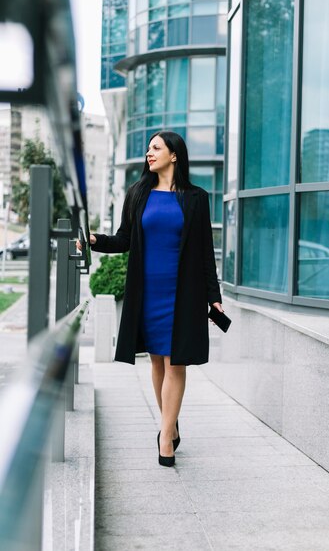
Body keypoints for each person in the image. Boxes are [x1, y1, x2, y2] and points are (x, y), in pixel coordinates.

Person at [80, 131, 223, 467]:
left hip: (183, 294)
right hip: (148, 292)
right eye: (148, 149)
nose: (149, 153)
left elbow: (205, 252)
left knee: (176, 362)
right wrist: (94, 240)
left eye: (156, 148)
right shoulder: (139, 193)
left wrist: (214, 296)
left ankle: (165, 439)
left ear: (174, 155)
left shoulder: (196, 199)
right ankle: (169, 425)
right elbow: (124, 239)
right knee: (157, 361)